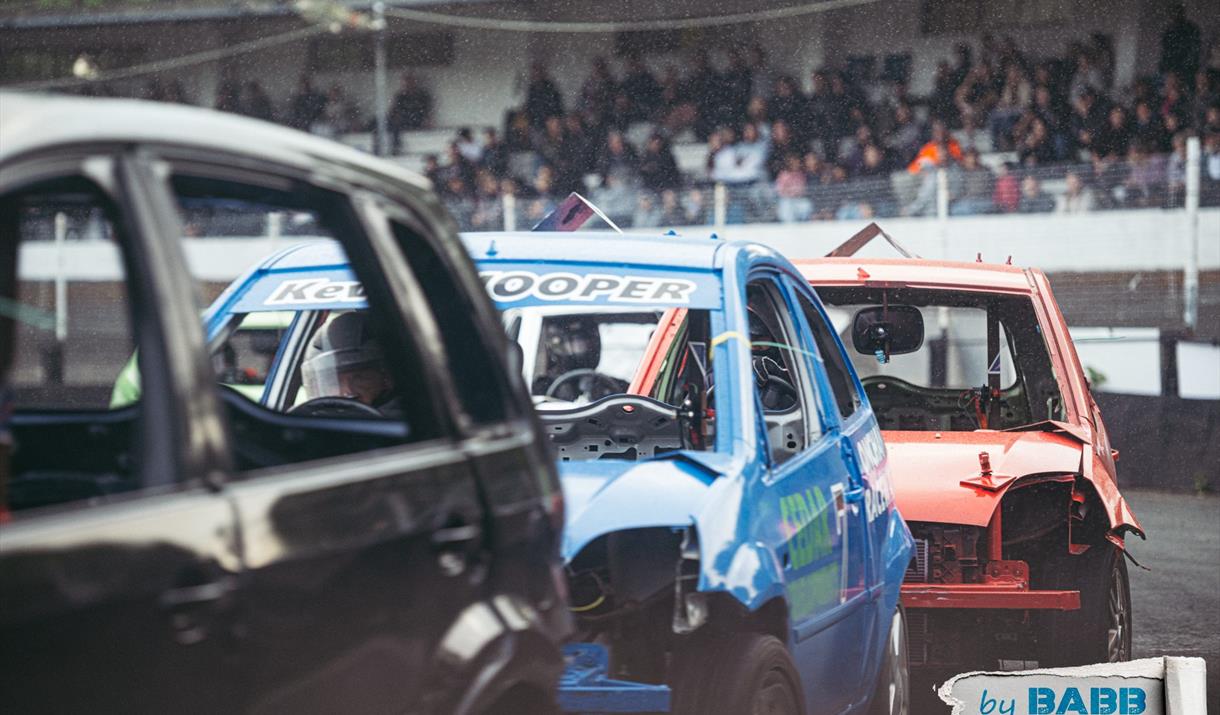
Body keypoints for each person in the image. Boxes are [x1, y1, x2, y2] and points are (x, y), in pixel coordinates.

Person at [300, 312, 399, 417]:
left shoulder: (400, 419)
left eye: (359, 378)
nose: (348, 392)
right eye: (333, 382)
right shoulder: (312, 419)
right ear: (316, 387)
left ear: (386, 378)